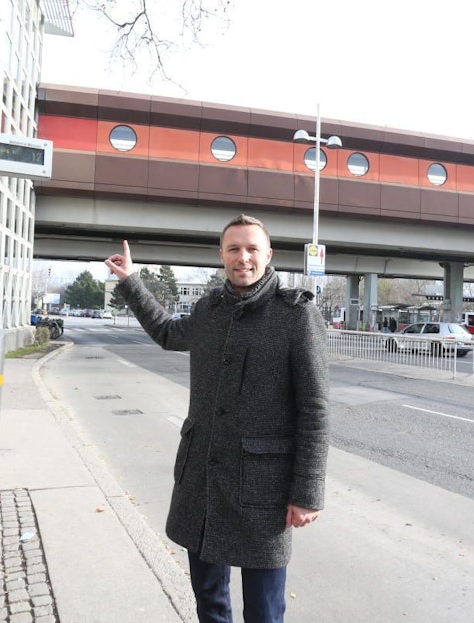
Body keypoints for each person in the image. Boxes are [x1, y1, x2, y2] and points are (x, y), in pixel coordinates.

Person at [104, 214, 329, 622]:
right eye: (234, 249)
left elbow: (314, 409)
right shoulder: (211, 309)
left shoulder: (295, 315)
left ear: (268, 254)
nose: (243, 258)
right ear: (222, 255)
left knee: (264, 611)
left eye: (252, 249)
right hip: (203, 481)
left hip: (265, 490)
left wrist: (308, 491)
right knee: (209, 601)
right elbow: (169, 332)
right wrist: (130, 282)